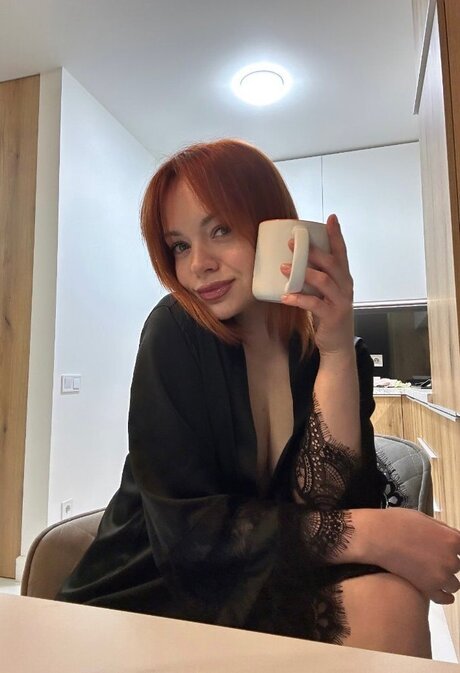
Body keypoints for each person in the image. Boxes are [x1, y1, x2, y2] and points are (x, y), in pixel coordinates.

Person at [56, 139, 460, 657]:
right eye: (179, 245)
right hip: (155, 583)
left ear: (276, 229)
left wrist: (337, 349)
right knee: (385, 598)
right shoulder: (175, 330)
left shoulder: (329, 353)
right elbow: (186, 536)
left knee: (390, 602)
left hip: (262, 574)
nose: (198, 265)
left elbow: (328, 504)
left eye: (220, 230)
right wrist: (374, 533)